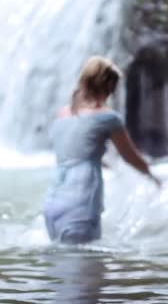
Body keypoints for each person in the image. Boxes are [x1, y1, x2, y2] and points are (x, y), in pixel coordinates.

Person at [44, 56, 161, 244]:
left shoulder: (63, 114)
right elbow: (131, 157)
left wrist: (104, 163)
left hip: (53, 200)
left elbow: (75, 153)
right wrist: (153, 178)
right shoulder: (108, 118)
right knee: (87, 270)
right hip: (80, 200)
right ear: (108, 87)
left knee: (62, 268)